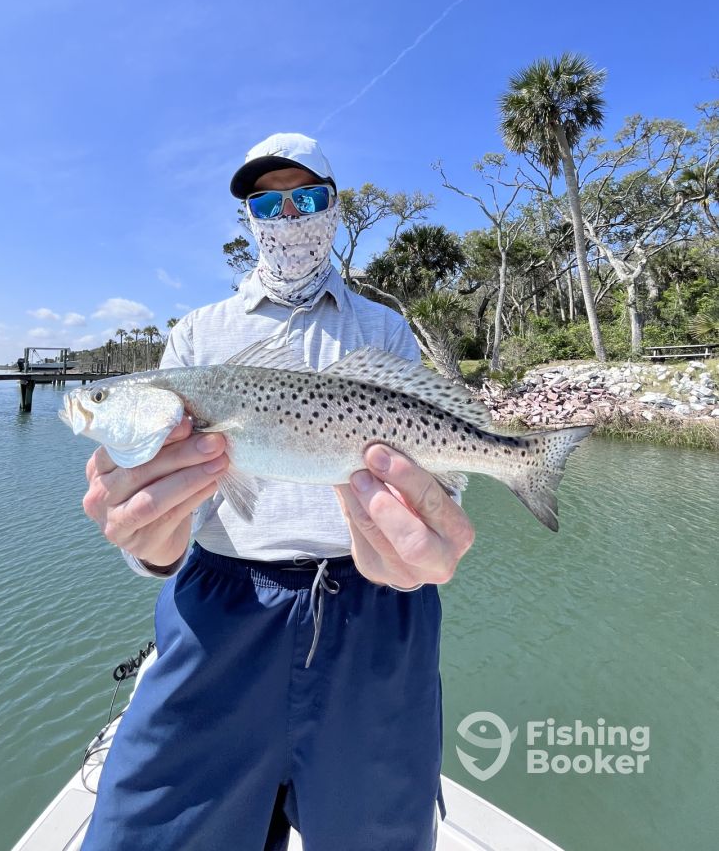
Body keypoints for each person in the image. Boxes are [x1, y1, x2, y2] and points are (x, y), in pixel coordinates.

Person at [81, 133, 475, 851]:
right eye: (267, 203)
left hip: (376, 607)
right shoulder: (197, 336)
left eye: (307, 197)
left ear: (335, 207)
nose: (288, 216)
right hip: (220, 609)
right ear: (248, 218)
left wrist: (423, 543)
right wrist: (151, 544)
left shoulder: (384, 329)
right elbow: (169, 528)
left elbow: (424, 467)